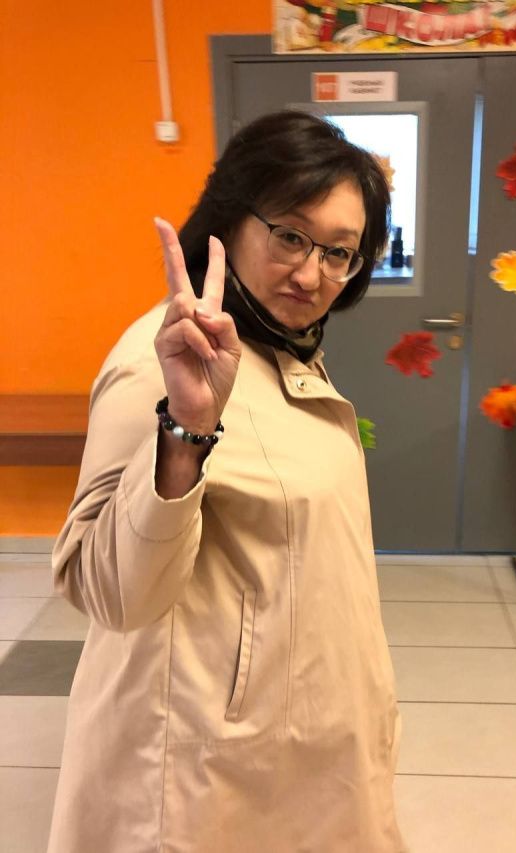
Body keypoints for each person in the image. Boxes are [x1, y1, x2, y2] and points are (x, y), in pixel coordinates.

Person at [48, 110, 405, 853]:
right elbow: (107, 588)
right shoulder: (162, 365)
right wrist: (185, 430)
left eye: (339, 252)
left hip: (293, 744)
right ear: (229, 221)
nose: (311, 274)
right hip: (203, 770)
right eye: (290, 236)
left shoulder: (283, 347)